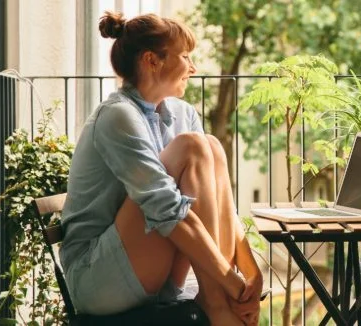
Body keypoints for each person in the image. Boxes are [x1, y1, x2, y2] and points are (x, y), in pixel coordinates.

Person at [59, 11, 261, 325]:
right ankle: (218, 306)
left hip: (149, 262)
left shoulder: (182, 113)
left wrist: (251, 273)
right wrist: (232, 284)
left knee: (212, 147)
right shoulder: (117, 117)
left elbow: (218, 206)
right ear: (152, 61)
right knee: (193, 146)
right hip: (97, 277)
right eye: (185, 56)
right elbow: (166, 211)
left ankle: (217, 302)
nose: (193, 68)